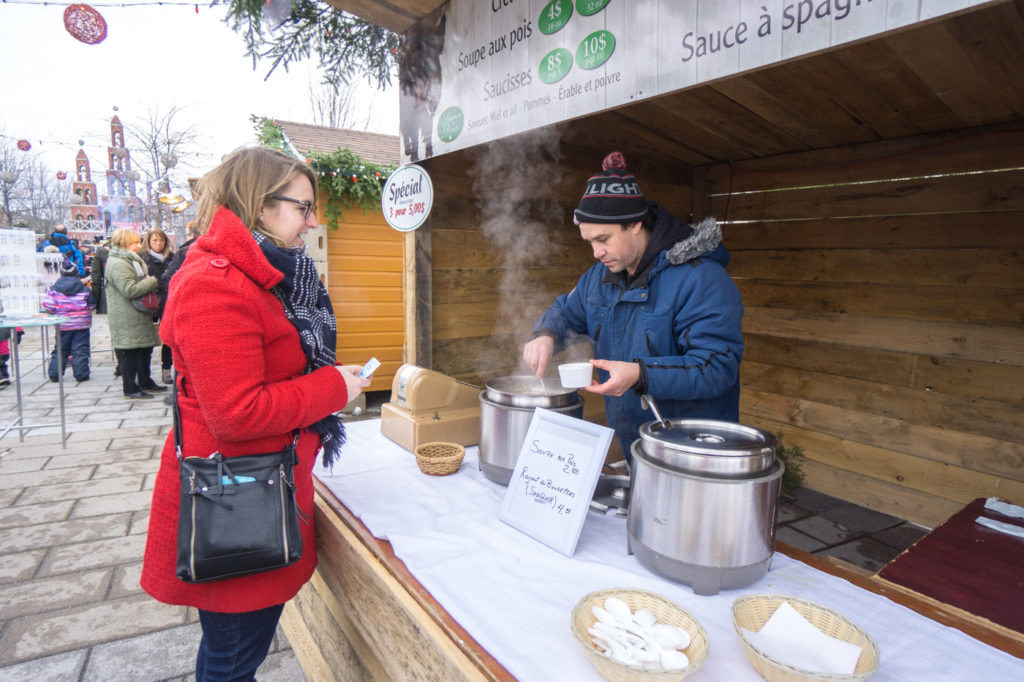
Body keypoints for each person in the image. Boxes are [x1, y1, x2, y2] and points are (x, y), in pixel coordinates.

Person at [140, 146, 369, 681]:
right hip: (237, 499)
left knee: (234, 649)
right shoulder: (216, 283)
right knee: (233, 655)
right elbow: (237, 413)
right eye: (303, 207)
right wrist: (332, 387)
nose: (313, 222)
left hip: (255, 485)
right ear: (260, 206)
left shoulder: (263, 270)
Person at [522, 152, 744, 459]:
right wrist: (545, 334)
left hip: (694, 452)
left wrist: (641, 374)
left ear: (636, 224)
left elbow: (717, 366)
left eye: (603, 239)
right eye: (589, 242)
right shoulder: (599, 276)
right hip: (636, 443)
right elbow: (567, 311)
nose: (596, 253)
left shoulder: (702, 279)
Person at [105, 228, 165, 399]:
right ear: (124, 243)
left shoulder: (129, 260)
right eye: (135, 242)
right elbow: (129, 290)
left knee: (144, 349)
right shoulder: (118, 263)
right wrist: (152, 282)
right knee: (130, 352)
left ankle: (145, 381)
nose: (139, 246)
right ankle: (130, 388)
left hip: (137, 313)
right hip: (127, 315)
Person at [41, 259, 96, 382]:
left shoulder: (53, 289)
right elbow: (91, 305)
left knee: (60, 349)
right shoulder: (84, 288)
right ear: (76, 273)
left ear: (61, 273)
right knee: (80, 349)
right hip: (81, 324)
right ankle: (81, 374)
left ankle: (55, 375)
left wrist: (56, 312)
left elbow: (48, 306)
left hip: (63, 324)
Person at [141, 227, 175, 384]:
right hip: (148, 301)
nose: (158, 243)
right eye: (154, 240)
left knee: (169, 337)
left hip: (168, 301)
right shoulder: (142, 258)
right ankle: (143, 374)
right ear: (148, 241)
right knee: (146, 337)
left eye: (161, 240)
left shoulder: (172, 257)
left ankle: (166, 369)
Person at [90, 238, 111, 314]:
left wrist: (96, 301)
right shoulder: (127, 251)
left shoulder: (101, 250)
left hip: (105, 292)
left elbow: (96, 276)